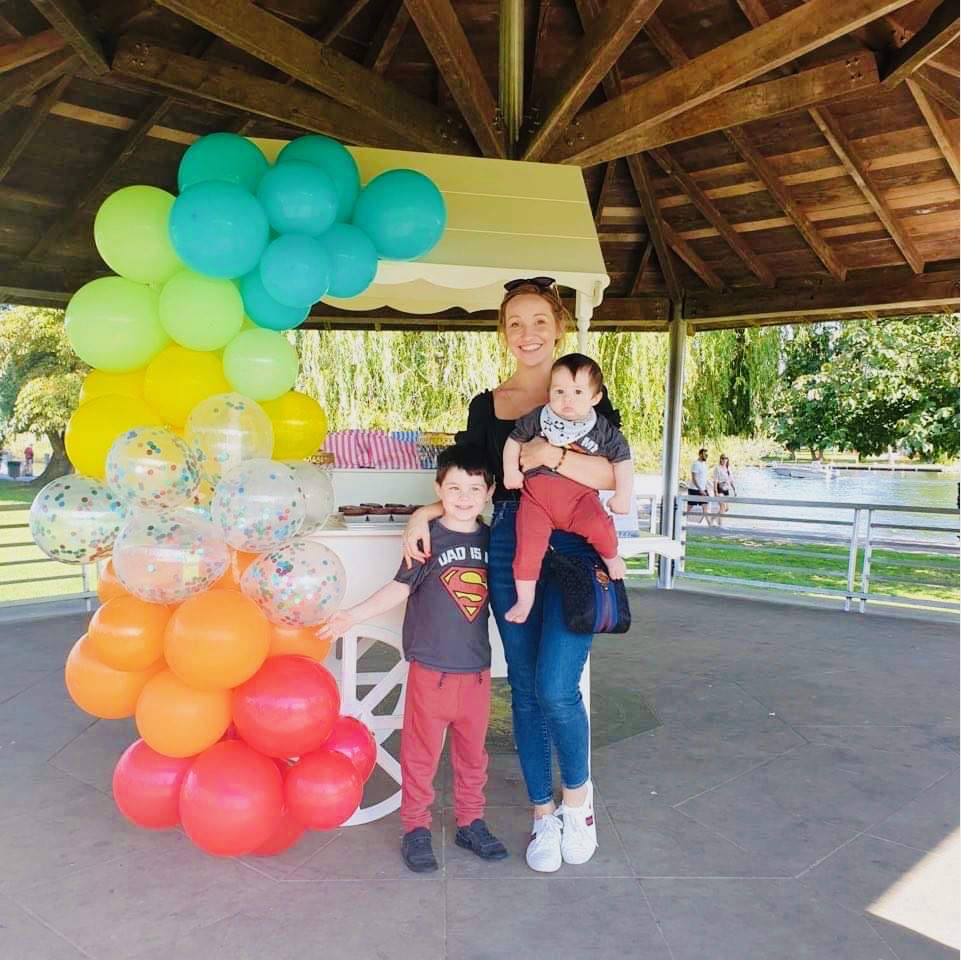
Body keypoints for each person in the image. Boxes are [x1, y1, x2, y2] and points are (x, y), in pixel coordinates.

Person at [403, 277, 617, 873]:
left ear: (559, 329)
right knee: (522, 687)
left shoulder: (587, 392)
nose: (529, 334)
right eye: (516, 323)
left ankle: (580, 802)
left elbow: (613, 474)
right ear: (504, 332)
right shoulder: (485, 405)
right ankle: (541, 814)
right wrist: (425, 510)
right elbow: (469, 480)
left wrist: (555, 457)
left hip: (574, 546)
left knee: (556, 686)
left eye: (540, 322)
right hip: (509, 545)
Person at [324, 445, 508, 874]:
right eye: (455, 487)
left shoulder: (491, 540)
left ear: (489, 491)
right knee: (421, 755)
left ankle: (471, 821)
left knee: (472, 755)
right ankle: (416, 828)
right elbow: (400, 588)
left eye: (474, 489)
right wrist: (352, 615)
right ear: (438, 488)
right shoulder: (427, 538)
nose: (464, 497)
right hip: (431, 672)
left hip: (477, 674)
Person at [501, 352, 632, 623]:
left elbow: (623, 461)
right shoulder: (539, 418)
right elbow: (514, 441)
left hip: (579, 499)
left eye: (577, 392)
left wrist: (623, 496)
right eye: (559, 391)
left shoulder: (602, 430)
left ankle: (611, 556)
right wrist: (510, 471)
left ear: (595, 398)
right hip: (536, 500)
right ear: (548, 393)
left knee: (599, 524)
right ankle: (524, 600)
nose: (567, 399)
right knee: (527, 547)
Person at [686, 447, 709, 522]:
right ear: (700, 455)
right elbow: (694, 478)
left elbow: (704, 478)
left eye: (707, 455)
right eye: (705, 455)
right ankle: (682, 520)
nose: (706, 456)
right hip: (694, 489)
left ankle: (708, 523)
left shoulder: (704, 464)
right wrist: (700, 489)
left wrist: (706, 488)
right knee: (690, 507)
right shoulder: (696, 464)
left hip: (703, 489)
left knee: (705, 506)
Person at [711, 453, 736, 522]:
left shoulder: (728, 468)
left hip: (726, 489)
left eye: (726, 458)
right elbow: (715, 480)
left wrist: (734, 490)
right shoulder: (717, 468)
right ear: (720, 459)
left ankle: (713, 519)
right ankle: (720, 523)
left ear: (727, 459)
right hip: (719, 489)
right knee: (722, 507)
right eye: (723, 458)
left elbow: (731, 479)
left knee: (726, 508)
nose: (724, 460)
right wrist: (715, 491)